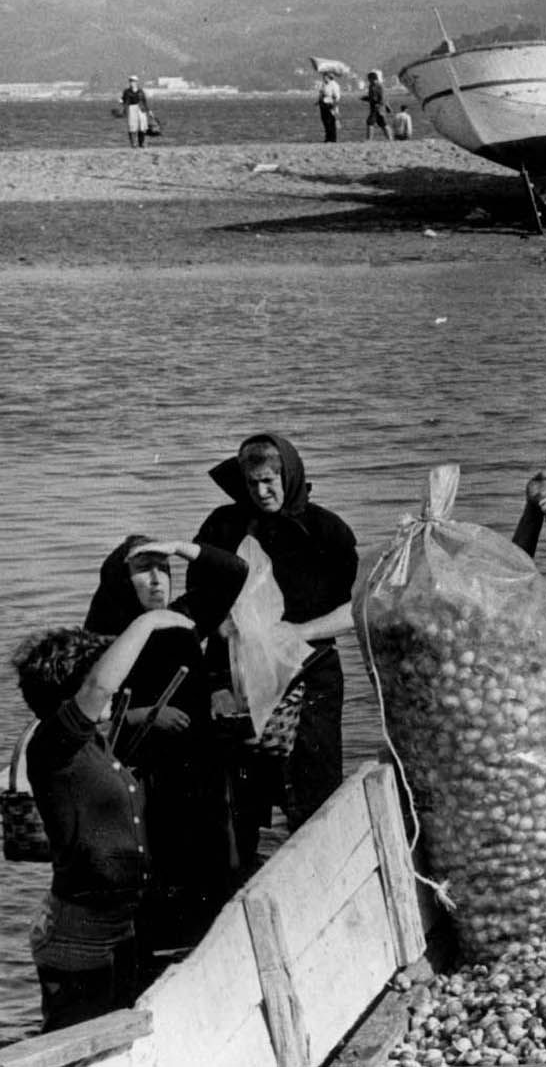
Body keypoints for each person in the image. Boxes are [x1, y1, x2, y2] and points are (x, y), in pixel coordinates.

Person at [14, 607, 197, 1031]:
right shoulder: (53, 745)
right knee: (78, 1041)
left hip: (117, 925)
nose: (115, 690)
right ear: (67, 693)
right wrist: (147, 622)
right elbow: (100, 686)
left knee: (115, 1035)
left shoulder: (90, 744)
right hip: (79, 936)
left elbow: (106, 701)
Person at [82, 536, 250, 959]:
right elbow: (88, 710)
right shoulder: (105, 632)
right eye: (144, 570)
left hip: (198, 760)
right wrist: (145, 715)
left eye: (164, 569)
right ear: (122, 581)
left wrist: (179, 546)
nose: (158, 580)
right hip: (142, 764)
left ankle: (212, 950)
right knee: (158, 862)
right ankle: (161, 956)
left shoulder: (185, 616)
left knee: (211, 857)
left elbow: (233, 571)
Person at [194, 434, 358, 841]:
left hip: (309, 672)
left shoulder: (326, 531)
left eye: (270, 481)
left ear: (291, 474)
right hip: (235, 672)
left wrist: (298, 632)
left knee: (312, 795)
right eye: (252, 484)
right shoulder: (223, 525)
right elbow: (200, 597)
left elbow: (355, 609)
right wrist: (223, 627)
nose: (262, 492)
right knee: (235, 803)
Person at [116, 77, 150, 149]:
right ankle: (134, 144)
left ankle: (141, 143)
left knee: (142, 127)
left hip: (141, 108)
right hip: (131, 108)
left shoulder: (141, 91)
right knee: (132, 127)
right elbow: (123, 100)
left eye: (134, 81)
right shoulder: (127, 91)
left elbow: (144, 101)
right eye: (131, 81)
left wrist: (148, 110)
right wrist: (121, 102)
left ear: (136, 82)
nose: (132, 83)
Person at [361, 71, 390, 142]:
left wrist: (381, 105)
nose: (368, 81)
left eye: (369, 79)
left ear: (373, 78)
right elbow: (372, 97)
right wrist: (366, 98)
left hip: (378, 108)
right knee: (382, 123)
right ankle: (389, 138)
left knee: (370, 122)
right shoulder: (371, 86)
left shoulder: (380, 86)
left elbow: (383, 97)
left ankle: (369, 139)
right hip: (374, 107)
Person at [316, 71, 342, 143]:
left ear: (329, 77)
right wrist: (319, 101)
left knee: (331, 122)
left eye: (325, 77)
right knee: (325, 121)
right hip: (323, 105)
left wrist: (333, 105)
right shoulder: (323, 85)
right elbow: (321, 93)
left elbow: (337, 97)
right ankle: (327, 138)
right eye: (323, 77)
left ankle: (332, 139)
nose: (324, 78)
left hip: (331, 105)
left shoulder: (334, 85)